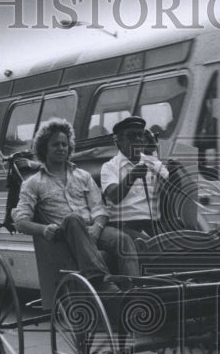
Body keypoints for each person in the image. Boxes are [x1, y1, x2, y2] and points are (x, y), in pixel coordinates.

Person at [11, 118, 138, 291]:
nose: (61, 148)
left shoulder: (82, 176)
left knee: (123, 240)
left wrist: (97, 226)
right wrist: (43, 229)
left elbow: (99, 208)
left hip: (92, 230)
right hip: (64, 236)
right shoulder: (33, 183)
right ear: (44, 149)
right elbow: (20, 221)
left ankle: (134, 291)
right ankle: (102, 282)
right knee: (72, 219)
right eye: (56, 145)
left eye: (64, 144)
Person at [100, 115, 170, 241]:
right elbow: (114, 197)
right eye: (132, 136)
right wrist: (132, 176)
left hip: (152, 226)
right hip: (123, 226)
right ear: (119, 141)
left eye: (140, 135)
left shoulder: (154, 164)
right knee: (152, 247)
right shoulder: (109, 167)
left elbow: (173, 189)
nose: (137, 139)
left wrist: (154, 151)